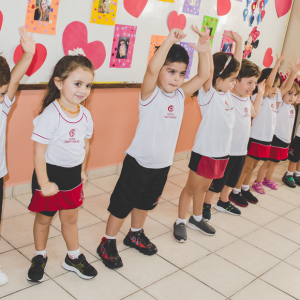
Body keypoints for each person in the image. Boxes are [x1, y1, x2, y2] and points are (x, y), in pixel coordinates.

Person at [97, 26, 211, 269]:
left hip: (162, 165)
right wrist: (169, 40)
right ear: (159, 71)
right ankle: (107, 241)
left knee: (145, 202)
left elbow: (202, 77)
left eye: (181, 73)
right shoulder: (149, 94)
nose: (176, 78)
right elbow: (150, 69)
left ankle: (135, 233)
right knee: (122, 204)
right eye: (170, 71)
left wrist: (204, 50)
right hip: (138, 162)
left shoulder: (180, 95)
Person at [26, 55, 97, 282]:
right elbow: (38, 151)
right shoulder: (50, 115)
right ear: (59, 83)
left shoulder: (85, 115)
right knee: (44, 220)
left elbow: (85, 145)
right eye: (77, 84)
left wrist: (83, 170)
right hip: (49, 175)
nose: (83, 90)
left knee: (70, 219)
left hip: (72, 176)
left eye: (88, 85)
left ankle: (73, 257)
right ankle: (39, 256)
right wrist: (44, 182)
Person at [173, 31, 243, 242]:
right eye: (231, 80)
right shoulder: (208, 95)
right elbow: (209, 70)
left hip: (221, 153)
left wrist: (239, 43)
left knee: (204, 187)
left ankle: (196, 218)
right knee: (191, 188)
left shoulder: (226, 94)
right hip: (205, 152)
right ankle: (180, 221)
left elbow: (235, 67)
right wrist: (206, 48)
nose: (234, 83)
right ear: (218, 79)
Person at [202, 59, 265, 220]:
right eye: (249, 82)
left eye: (255, 82)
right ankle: (206, 204)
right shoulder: (228, 97)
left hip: (241, 149)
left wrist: (261, 94)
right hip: (227, 150)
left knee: (231, 180)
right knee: (217, 181)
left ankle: (223, 201)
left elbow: (254, 113)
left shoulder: (246, 99)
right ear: (235, 81)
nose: (252, 86)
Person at [0, 27, 35, 286]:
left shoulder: (3, 106)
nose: (1, 98)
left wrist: (29, 53)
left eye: (2, 92)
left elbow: (15, 77)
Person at [229, 54, 285, 206]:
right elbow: (268, 85)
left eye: (278, 86)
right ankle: (236, 190)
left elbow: (278, 88)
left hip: (265, 139)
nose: (275, 89)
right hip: (254, 137)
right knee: (246, 166)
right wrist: (278, 64)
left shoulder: (269, 99)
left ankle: (245, 188)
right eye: (273, 85)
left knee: (253, 166)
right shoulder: (257, 96)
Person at [254, 62, 300, 193]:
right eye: (290, 93)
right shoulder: (280, 104)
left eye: (295, 95)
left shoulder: (292, 107)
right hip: (276, 139)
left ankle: (267, 180)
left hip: (285, 140)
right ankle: (258, 182)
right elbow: (285, 87)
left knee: (275, 162)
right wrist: (293, 73)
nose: (292, 97)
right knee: (268, 162)